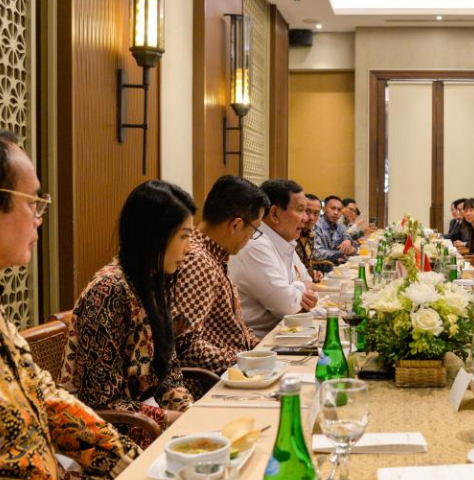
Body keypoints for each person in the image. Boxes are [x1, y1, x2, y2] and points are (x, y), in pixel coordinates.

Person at [0, 129, 140, 478]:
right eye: (32, 202)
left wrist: (141, 465)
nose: (39, 217)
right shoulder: (110, 285)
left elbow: (47, 400)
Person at [62, 180, 195, 443]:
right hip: (103, 435)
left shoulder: (152, 282)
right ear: (154, 235)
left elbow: (168, 371)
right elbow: (99, 401)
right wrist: (167, 418)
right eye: (183, 236)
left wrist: (189, 411)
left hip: (145, 420)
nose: (188, 249)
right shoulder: (109, 291)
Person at [172, 175, 267, 376]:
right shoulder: (198, 261)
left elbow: (236, 332)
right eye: (254, 230)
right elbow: (186, 346)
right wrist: (245, 361)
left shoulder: (215, 255)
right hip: (209, 384)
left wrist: (265, 353)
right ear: (235, 225)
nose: (251, 238)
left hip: (232, 371)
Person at [229, 180, 319, 338]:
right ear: (274, 214)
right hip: (257, 345)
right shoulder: (257, 245)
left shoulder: (287, 241)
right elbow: (288, 306)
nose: (306, 218)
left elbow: (310, 284)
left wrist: (296, 288)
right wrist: (300, 287)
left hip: (284, 335)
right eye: (300, 210)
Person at [314, 195, 356, 263]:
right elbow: (317, 253)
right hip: (321, 270)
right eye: (333, 208)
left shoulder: (340, 226)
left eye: (339, 210)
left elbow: (354, 247)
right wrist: (341, 253)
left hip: (338, 266)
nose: (336, 212)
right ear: (324, 209)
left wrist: (348, 240)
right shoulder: (316, 225)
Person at [296, 193, 324, 280]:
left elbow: (307, 263)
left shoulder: (311, 235)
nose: (311, 217)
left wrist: (315, 272)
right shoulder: (291, 235)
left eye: (316, 213)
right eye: (307, 211)